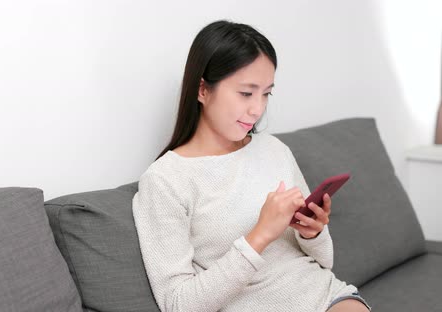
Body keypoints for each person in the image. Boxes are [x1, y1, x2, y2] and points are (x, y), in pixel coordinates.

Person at [131, 20, 372, 312]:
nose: (258, 109)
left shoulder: (274, 150)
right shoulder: (165, 180)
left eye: (266, 93)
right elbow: (178, 304)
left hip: (326, 297)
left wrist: (313, 233)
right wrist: (260, 234)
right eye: (246, 93)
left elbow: (323, 263)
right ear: (203, 90)